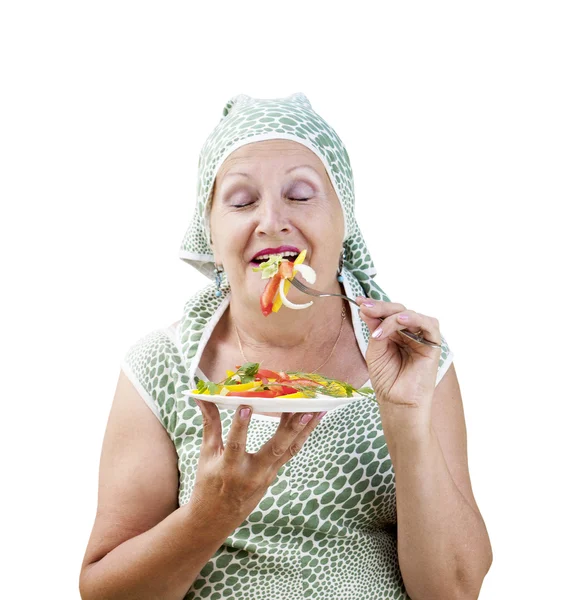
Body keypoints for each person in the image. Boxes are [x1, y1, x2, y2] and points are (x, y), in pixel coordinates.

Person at [79, 93, 492, 600]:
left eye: (300, 194)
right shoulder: (161, 367)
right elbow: (104, 593)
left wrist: (407, 421)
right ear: (209, 231)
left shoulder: (410, 359)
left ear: (345, 224)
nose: (271, 220)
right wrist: (209, 518)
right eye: (240, 200)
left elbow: (453, 592)